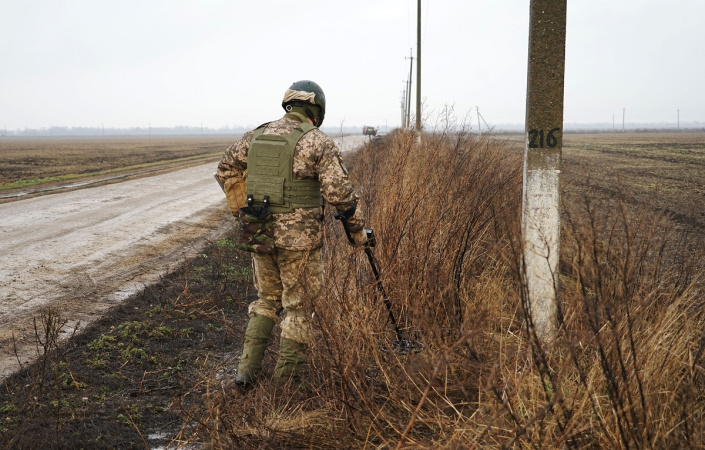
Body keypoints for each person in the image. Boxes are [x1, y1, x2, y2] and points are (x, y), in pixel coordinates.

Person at [215, 80, 367, 387]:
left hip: (259, 233)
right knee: (299, 307)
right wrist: (357, 230)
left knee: (266, 300)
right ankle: (286, 388)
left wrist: (244, 213)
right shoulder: (317, 142)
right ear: (316, 110)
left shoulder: (255, 136)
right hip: (300, 242)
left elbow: (225, 169)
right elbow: (340, 194)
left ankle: (245, 375)